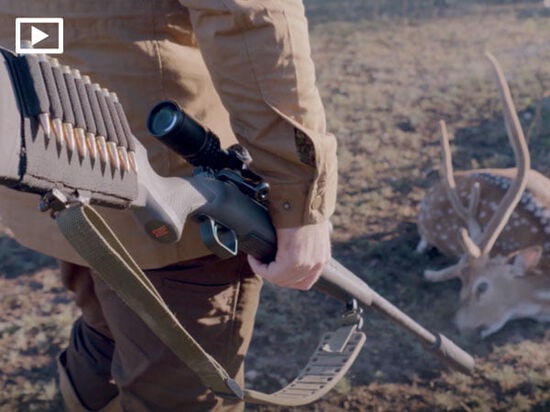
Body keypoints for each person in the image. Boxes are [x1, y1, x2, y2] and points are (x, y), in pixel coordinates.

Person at [0, 1, 337, 411]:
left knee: (106, 335)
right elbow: (247, 15)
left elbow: (41, 21)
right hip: (168, 194)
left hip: (44, 148)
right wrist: (297, 194)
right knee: (174, 383)